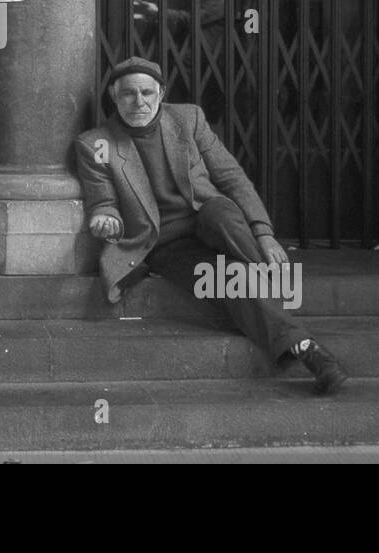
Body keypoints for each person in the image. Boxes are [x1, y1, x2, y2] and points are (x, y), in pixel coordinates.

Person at [74, 56, 348, 394]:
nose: (139, 102)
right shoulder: (95, 143)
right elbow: (103, 200)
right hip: (166, 243)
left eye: (147, 92)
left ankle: (266, 281)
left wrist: (264, 233)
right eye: (128, 94)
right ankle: (311, 352)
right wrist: (106, 219)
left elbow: (230, 177)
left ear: (161, 93)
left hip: (210, 219)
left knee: (220, 213)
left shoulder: (188, 119)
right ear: (114, 98)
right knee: (233, 279)